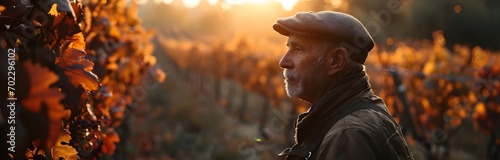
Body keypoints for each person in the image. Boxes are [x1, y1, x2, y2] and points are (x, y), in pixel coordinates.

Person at [273, 11, 414, 160]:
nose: (283, 62)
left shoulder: (348, 137)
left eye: (298, 49)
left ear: (336, 61)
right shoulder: (363, 110)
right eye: (288, 48)